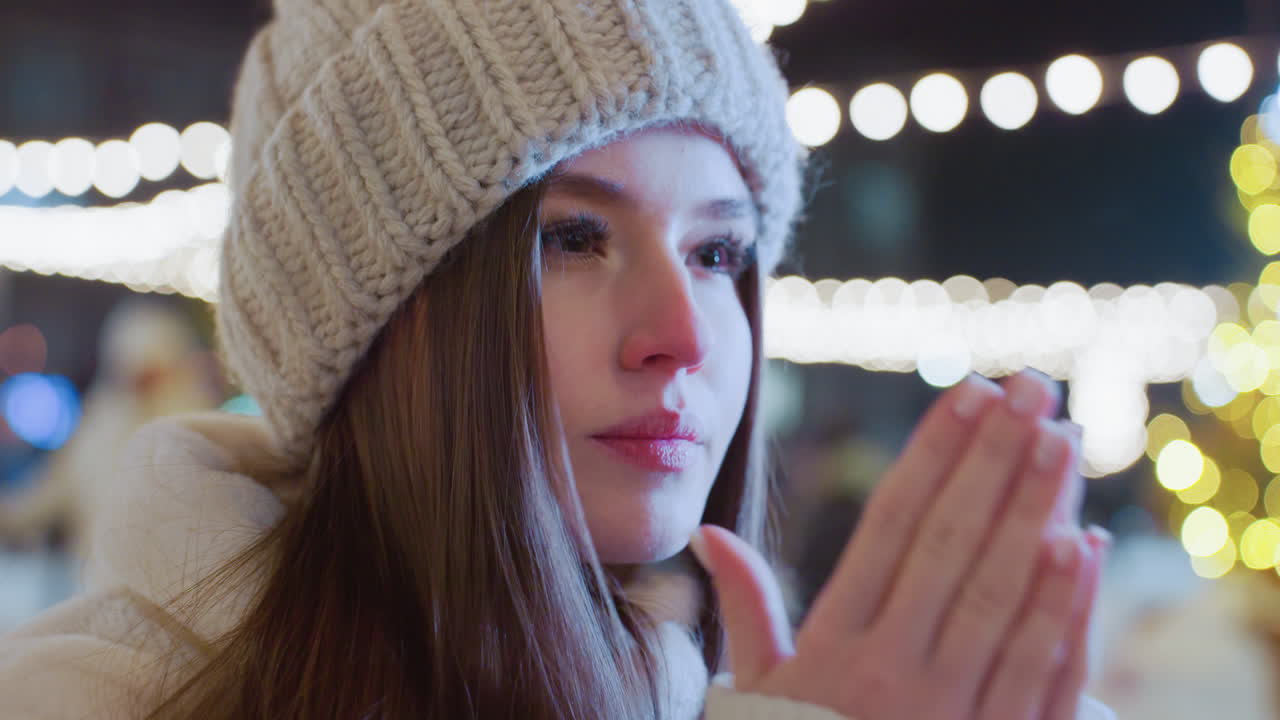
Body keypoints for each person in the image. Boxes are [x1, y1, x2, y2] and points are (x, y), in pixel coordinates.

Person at [0, 1, 1115, 718]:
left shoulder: (718, 698)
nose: (680, 334)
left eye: (720, 251)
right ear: (373, 325)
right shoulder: (80, 702)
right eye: (571, 239)